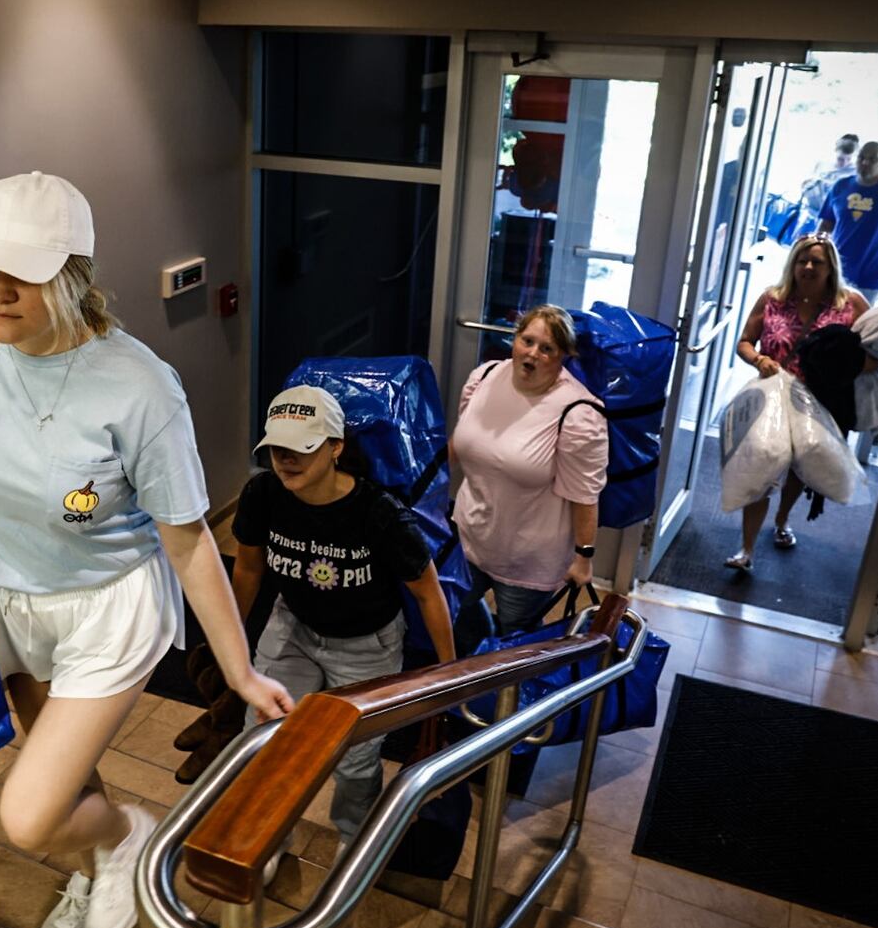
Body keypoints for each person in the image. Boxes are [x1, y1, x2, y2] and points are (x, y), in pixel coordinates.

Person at [0, 172, 292, 928]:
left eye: (22, 272)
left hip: (104, 608)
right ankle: (92, 859)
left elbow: (188, 543)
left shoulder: (141, 389)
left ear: (74, 273)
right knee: (61, 777)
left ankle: (125, 836)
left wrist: (242, 672)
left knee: (29, 812)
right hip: (5, 598)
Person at [230, 384, 456, 846]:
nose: (285, 459)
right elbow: (249, 566)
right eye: (277, 448)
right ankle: (265, 834)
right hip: (293, 625)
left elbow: (430, 594)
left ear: (336, 448)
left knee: (354, 762)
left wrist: (449, 674)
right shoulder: (263, 493)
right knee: (262, 736)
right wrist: (229, 638)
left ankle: (356, 842)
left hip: (365, 646)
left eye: (301, 449)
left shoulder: (380, 515)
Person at [451, 304, 608, 648]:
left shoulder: (578, 413)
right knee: (457, 619)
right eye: (527, 340)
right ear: (515, 339)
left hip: (527, 561)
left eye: (547, 348)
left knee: (515, 646)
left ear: (564, 355)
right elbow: (462, 443)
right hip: (468, 537)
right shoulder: (485, 377)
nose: (533, 353)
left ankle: (504, 700)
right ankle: (466, 688)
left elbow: (585, 494)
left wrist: (584, 557)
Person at [727, 235, 873, 571]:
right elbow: (745, 342)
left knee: (801, 468)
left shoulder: (850, 305)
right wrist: (759, 359)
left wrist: (839, 369)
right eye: (801, 260)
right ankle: (746, 550)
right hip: (772, 398)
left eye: (816, 262)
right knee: (761, 465)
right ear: (792, 263)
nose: (807, 267)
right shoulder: (773, 298)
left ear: (830, 267)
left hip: (820, 404)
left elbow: (875, 357)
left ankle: (782, 519)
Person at [818, 140, 878, 300]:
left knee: (860, 324)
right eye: (861, 157)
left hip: (870, 277)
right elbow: (826, 224)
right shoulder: (841, 186)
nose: (865, 163)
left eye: (872, 159)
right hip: (835, 272)